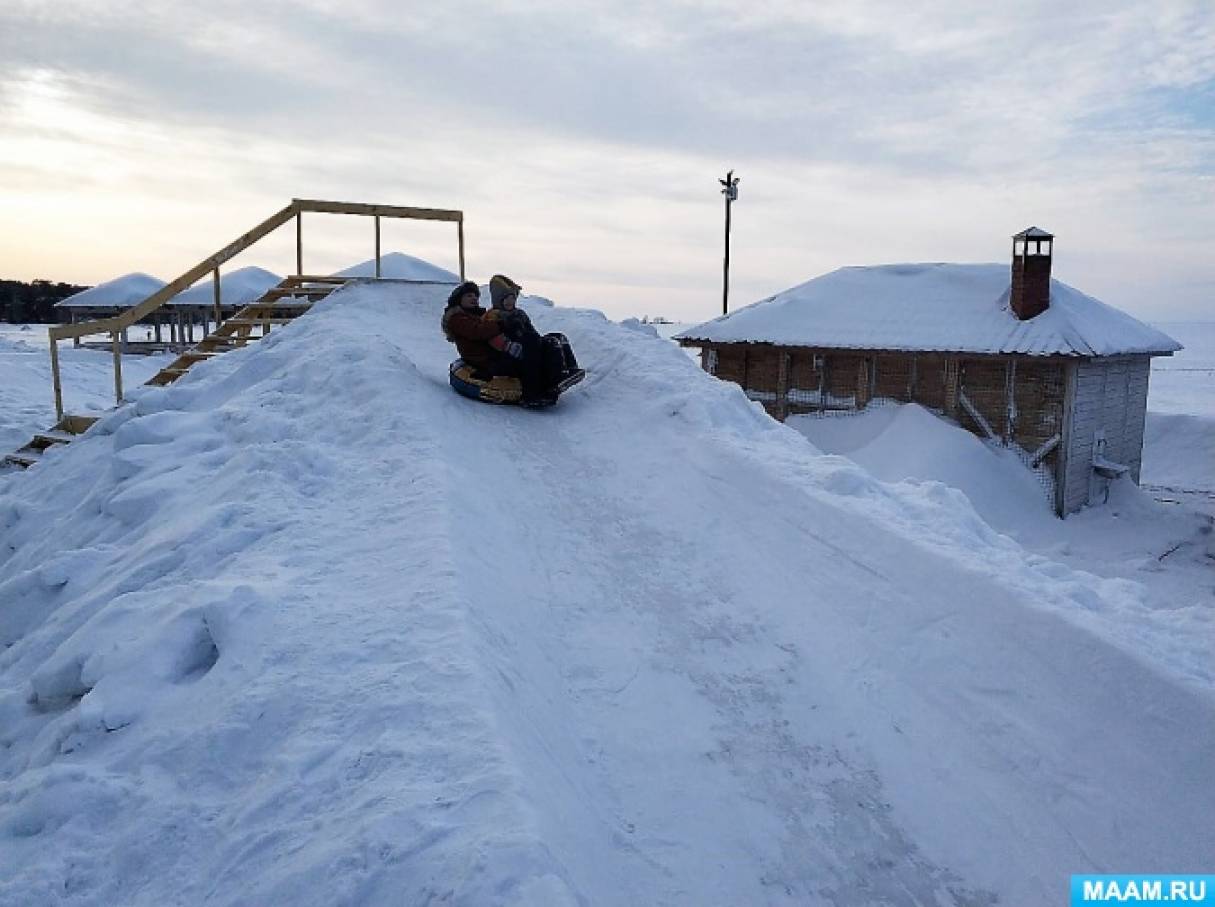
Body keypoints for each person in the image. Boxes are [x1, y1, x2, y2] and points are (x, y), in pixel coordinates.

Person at [441, 281, 547, 404]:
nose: (474, 298)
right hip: (485, 361)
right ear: (459, 299)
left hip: (494, 354)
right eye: (469, 295)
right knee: (524, 352)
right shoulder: (457, 318)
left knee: (532, 340)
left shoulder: (479, 315)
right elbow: (478, 332)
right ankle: (531, 394)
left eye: (475, 296)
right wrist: (501, 323)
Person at [484, 274, 580, 402]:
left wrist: (540, 343)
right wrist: (510, 346)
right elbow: (492, 338)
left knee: (556, 338)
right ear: (498, 300)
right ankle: (531, 393)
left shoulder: (519, 314)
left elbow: (531, 332)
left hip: (526, 347)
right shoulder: (493, 317)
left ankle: (566, 373)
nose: (510, 302)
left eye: (512, 298)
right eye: (506, 299)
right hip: (506, 356)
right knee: (531, 345)